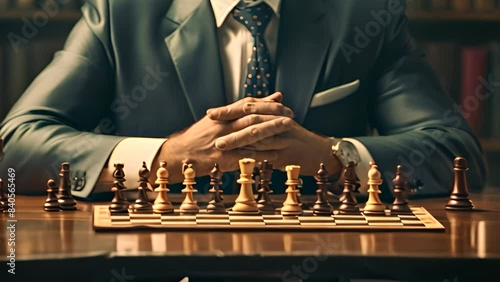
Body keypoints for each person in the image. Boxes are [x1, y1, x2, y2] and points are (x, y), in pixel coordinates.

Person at [0, 0, 486, 200]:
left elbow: (453, 150)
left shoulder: (364, 15)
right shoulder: (120, 11)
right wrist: (164, 158)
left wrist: (333, 157)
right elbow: (16, 145)